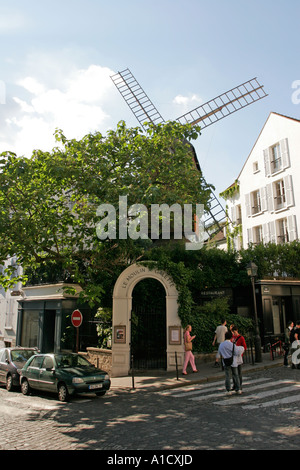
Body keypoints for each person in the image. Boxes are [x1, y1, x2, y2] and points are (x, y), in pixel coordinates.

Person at [218, 330, 244, 395]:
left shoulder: (221, 345)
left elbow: (220, 352)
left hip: (225, 361)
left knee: (227, 376)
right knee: (235, 375)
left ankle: (228, 390)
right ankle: (238, 389)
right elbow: (236, 352)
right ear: (231, 337)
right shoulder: (232, 345)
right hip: (233, 361)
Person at [231, 325, 247, 390]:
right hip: (233, 356)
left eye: (234, 332)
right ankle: (235, 384)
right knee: (234, 372)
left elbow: (244, 347)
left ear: (236, 331)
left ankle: (239, 385)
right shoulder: (232, 337)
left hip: (239, 356)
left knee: (239, 372)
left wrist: (241, 353)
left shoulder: (241, 338)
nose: (233, 333)